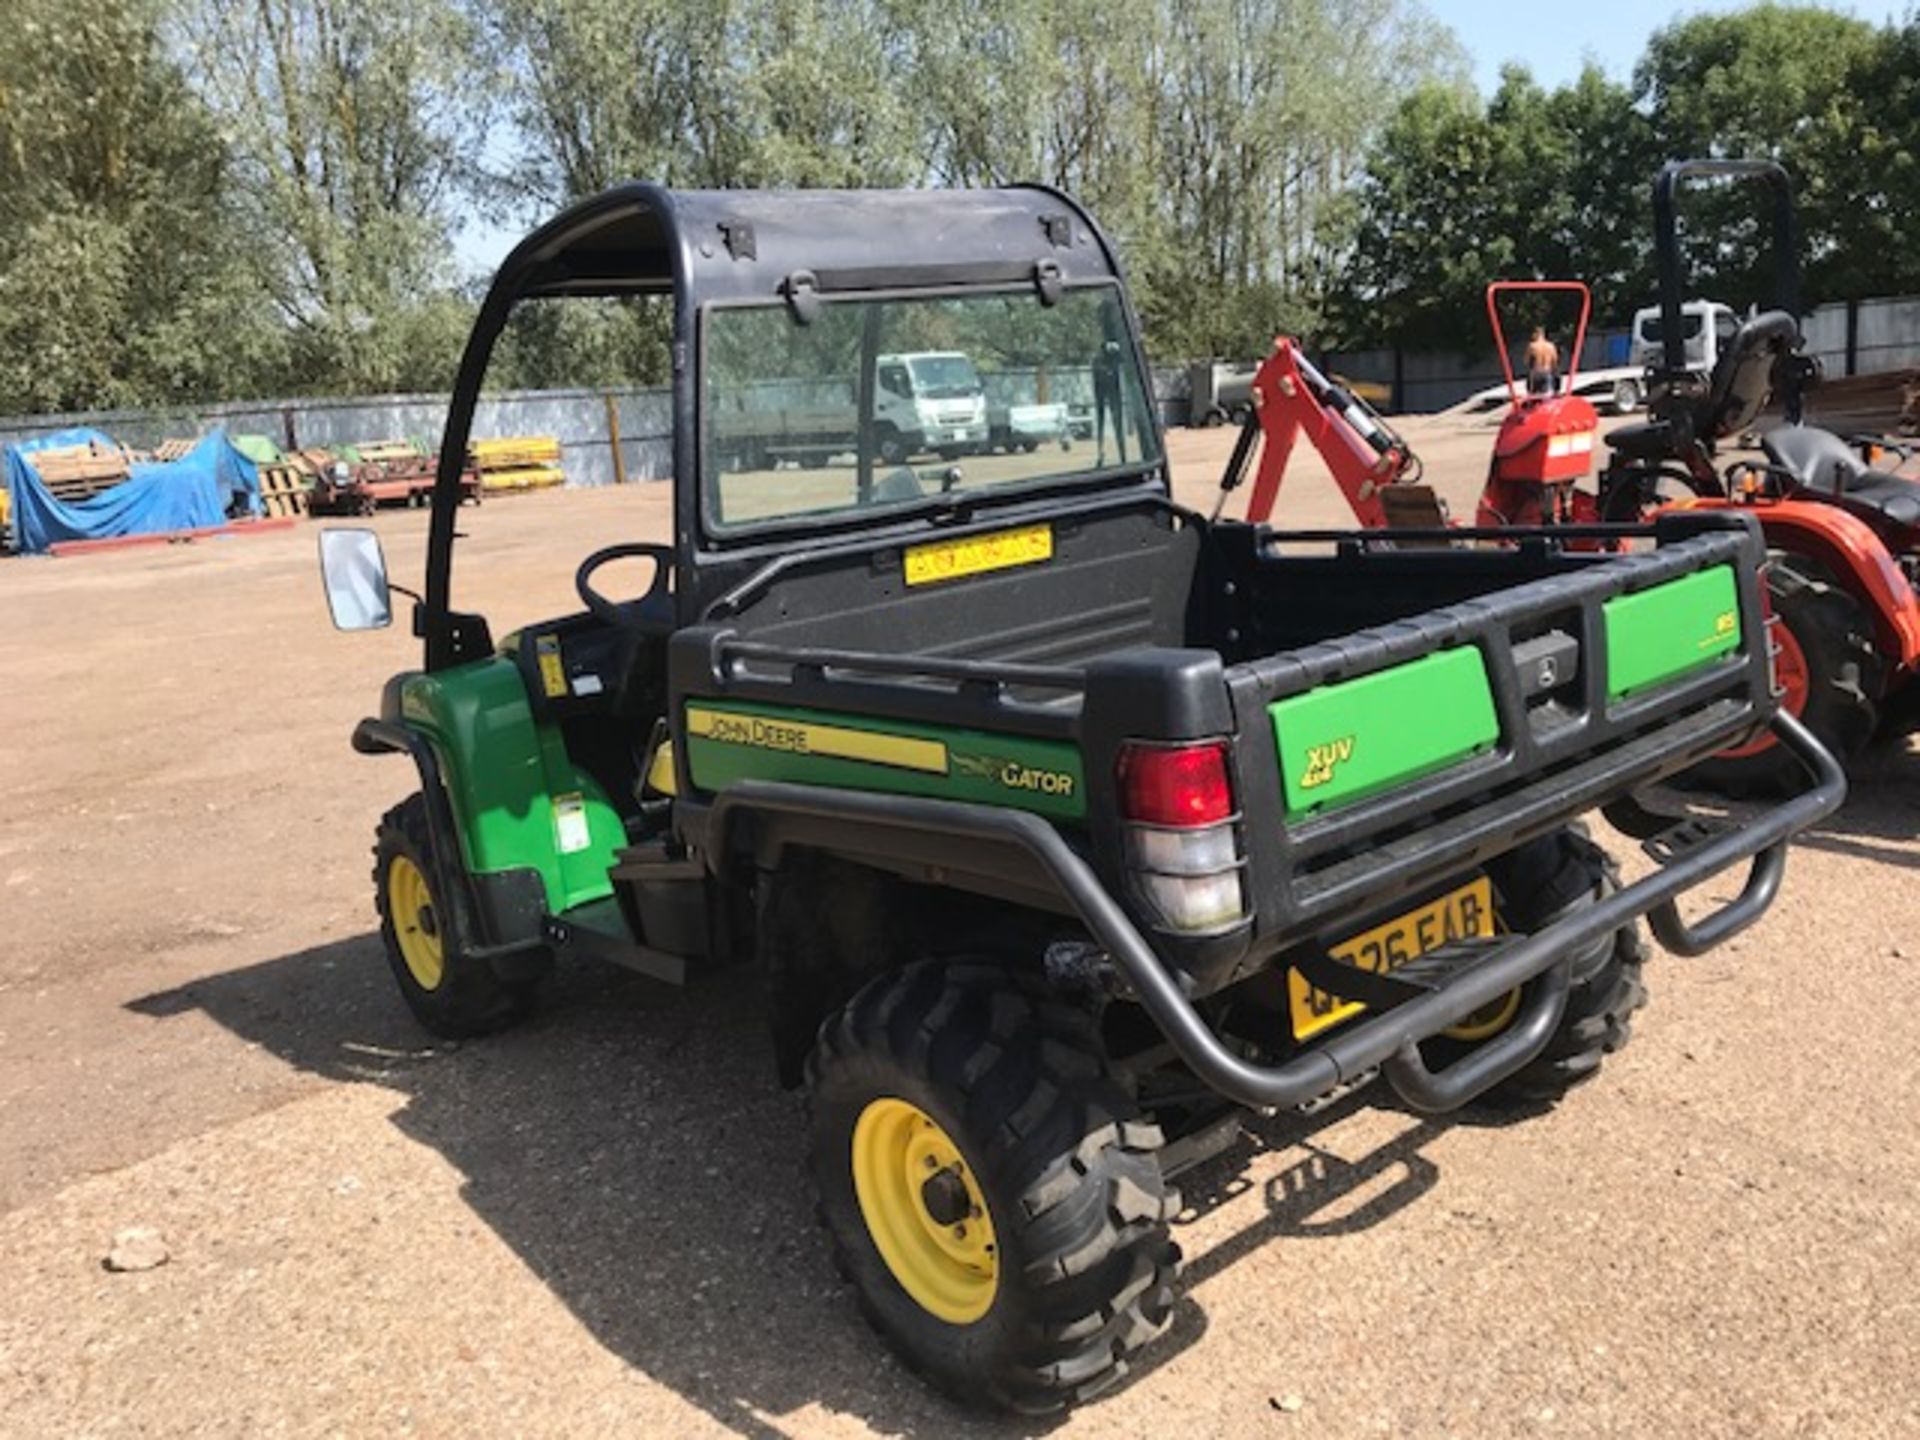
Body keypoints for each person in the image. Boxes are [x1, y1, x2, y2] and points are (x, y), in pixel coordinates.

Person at [1525, 327, 1559, 396]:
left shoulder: (1532, 346)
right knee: (1547, 395)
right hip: (1547, 371)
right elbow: (1555, 361)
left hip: (1536, 372)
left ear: (1537, 334)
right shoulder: (1551, 346)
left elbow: (1526, 360)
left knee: (1534, 396)